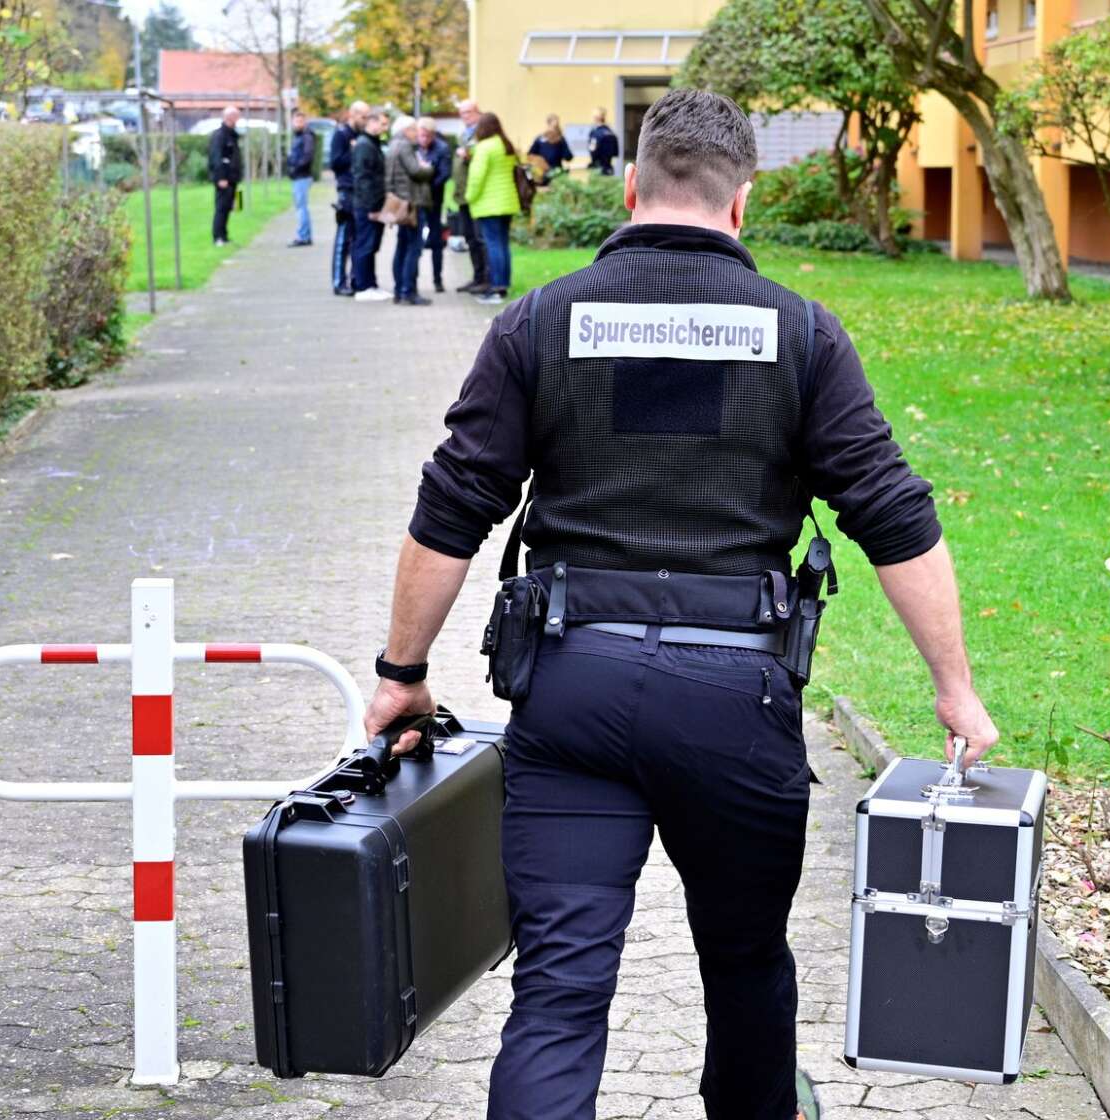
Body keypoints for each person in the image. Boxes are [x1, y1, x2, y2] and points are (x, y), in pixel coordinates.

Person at [360, 87, 997, 1120]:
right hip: (733, 700)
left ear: (629, 188)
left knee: (560, 990)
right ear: (741, 202)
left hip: (571, 691)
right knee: (746, 965)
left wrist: (401, 674)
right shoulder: (800, 333)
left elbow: (453, 504)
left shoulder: (542, 319)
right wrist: (955, 690)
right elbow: (893, 513)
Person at [464, 112, 520, 307]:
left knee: (493, 245)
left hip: (489, 204)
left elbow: (476, 177)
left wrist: (469, 197)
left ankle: (496, 287)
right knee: (503, 245)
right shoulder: (505, 145)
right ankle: (504, 283)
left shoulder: (484, 148)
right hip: (507, 202)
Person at [385, 115, 436, 307]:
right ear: (406, 130)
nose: (417, 133)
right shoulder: (405, 146)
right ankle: (408, 292)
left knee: (402, 247)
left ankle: (399, 291)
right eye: (414, 129)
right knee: (413, 249)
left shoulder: (392, 145)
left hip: (399, 203)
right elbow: (415, 171)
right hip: (411, 204)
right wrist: (428, 168)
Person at [349, 108, 392, 303]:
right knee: (365, 245)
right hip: (368, 206)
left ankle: (371, 283)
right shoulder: (365, 145)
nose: (385, 127)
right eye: (383, 123)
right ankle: (363, 286)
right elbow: (363, 178)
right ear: (372, 122)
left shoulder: (371, 143)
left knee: (371, 246)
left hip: (373, 203)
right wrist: (372, 207)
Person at [452, 98, 491, 296]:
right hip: (463, 196)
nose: (463, 117)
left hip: (476, 196)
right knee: (470, 239)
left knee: (480, 238)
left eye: (467, 112)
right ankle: (477, 277)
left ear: (477, 112)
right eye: (461, 113)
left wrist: (469, 156)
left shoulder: (482, 132)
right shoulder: (465, 134)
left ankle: (486, 279)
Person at [329, 101, 367, 296]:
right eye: (363, 116)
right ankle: (338, 282)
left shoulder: (361, 136)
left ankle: (355, 279)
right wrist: (353, 151)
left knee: (357, 239)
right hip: (347, 191)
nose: (365, 121)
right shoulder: (341, 135)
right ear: (353, 114)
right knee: (343, 239)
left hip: (360, 191)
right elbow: (334, 162)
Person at [419, 118, 454, 296]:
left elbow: (445, 173)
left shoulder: (442, 148)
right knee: (414, 242)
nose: (423, 139)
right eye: (421, 135)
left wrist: (428, 187)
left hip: (434, 200)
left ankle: (437, 279)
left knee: (436, 241)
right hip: (416, 201)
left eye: (427, 136)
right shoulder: (412, 146)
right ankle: (411, 280)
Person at [208, 105, 244, 247]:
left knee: (230, 207)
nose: (238, 119)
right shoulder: (220, 136)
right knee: (221, 207)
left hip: (233, 178)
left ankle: (224, 235)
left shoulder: (232, 134)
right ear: (229, 117)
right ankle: (218, 237)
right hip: (224, 179)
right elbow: (216, 157)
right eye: (236, 116)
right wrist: (221, 177)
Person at [285, 109, 315, 247]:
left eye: (300, 121)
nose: (297, 123)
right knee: (301, 206)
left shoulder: (306, 137)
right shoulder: (298, 136)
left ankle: (303, 236)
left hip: (302, 176)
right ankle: (306, 235)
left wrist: (295, 168)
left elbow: (307, 156)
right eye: (296, 121)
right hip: (299, 176)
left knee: (301, 207)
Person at [527, 114, 573, 184]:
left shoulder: (561, 140)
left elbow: (568, 157)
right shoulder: (540, 139)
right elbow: (530, 155)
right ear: (548, 124)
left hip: (557, 174)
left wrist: (562, 144)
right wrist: (539, 163)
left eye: (556, 126)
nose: (554, 128)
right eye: (553, 126)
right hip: (542, 175)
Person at [586, 108, 618, 176]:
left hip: (598, 169)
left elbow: (592, 151)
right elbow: (615, 152)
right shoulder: (611, 133)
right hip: (609, 169)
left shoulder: (595, 133)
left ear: (596, 118)